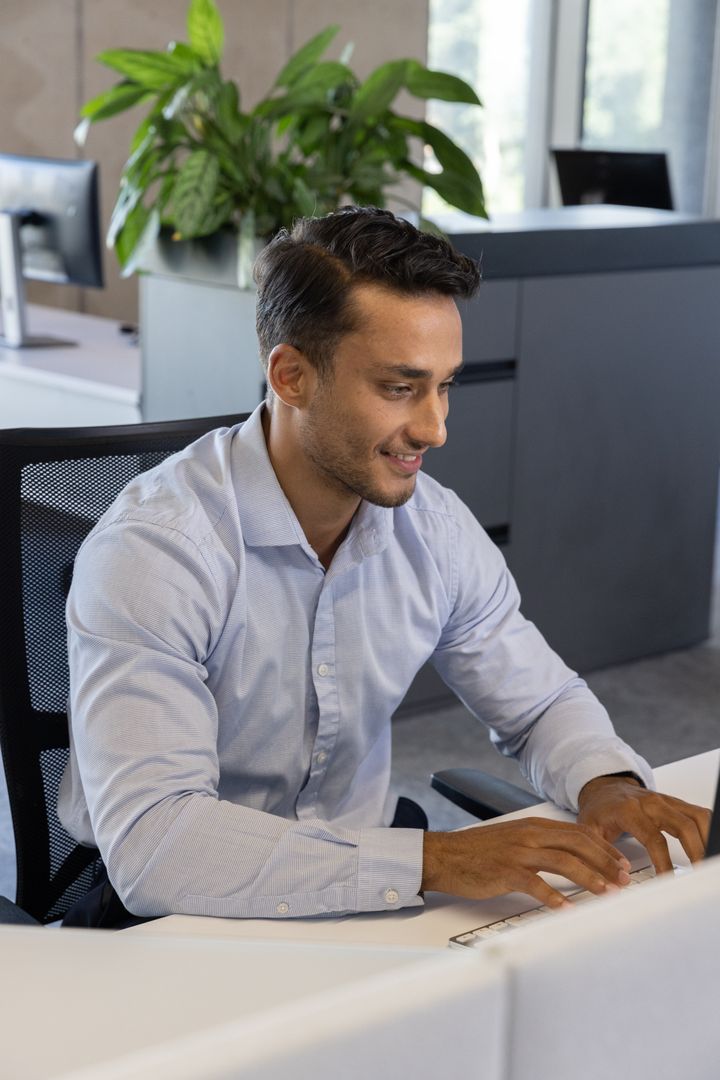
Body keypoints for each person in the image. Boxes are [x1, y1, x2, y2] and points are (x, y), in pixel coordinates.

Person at [59, 206, 709, 928]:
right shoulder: (156, 552)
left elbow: (540, 703)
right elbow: (156, 845)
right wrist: (434, 860)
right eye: (400, 388)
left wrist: (606, 782)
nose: (435, 428)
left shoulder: (433, 528)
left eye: (445, 385)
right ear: (292, 376)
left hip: (362, 895)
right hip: (173, 918)